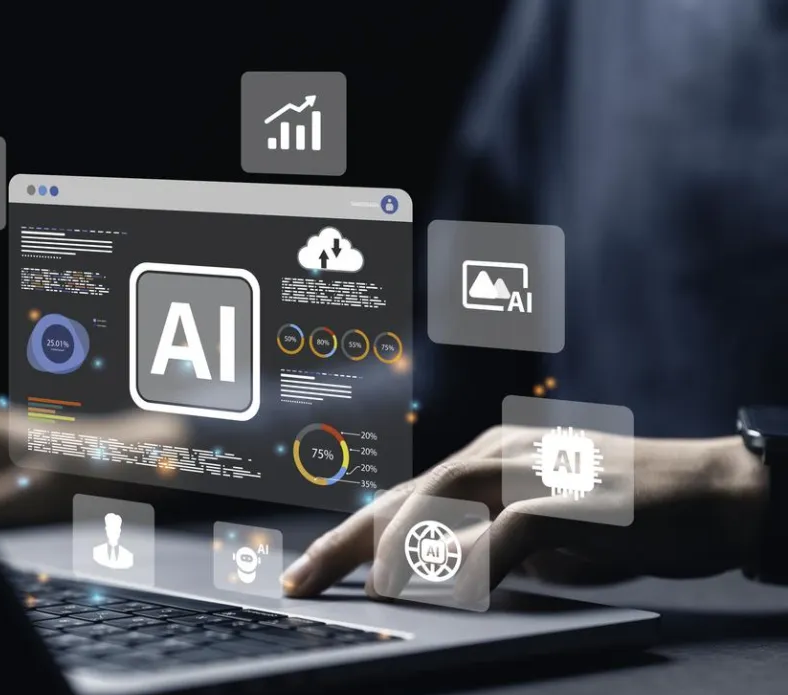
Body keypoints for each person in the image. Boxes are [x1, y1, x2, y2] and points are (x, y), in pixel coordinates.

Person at [282, 0, 788, 598]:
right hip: (570, 602)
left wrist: (746, 487)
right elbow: (459, 372)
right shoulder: (577, 16)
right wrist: (188, 442)